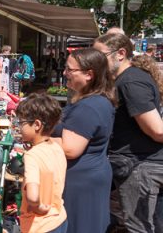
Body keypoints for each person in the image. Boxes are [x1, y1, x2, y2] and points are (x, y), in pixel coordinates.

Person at [94, 33, 163, 233]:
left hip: (140, 166)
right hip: (141, 164)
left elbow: (157, 130)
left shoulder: (131, 81)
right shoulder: (129, 78)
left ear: (121, 54)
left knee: (139, 227)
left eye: (100, 56)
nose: (96, 63)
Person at [52, 48, 116, 232]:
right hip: (87, 176)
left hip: (81, 182)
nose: (65, 73)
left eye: (70, 70)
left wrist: (40, 138)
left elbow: (70, 149)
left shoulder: (89, 106)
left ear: (89, 74)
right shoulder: (92, 100)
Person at [16, 93, 67, 233]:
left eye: (21, 123)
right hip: (59, 218)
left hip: (39, 225)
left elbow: (32, 196)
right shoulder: (57, 147)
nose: (19, 127)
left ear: (37, 125)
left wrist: (37, 206)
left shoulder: (32, 156)